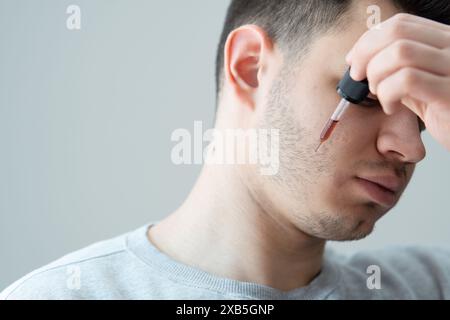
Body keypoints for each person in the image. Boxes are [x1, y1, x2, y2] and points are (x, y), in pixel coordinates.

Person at [2, 0, 450, 300]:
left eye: (423, 116)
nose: (411, 149)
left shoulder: (430, 285)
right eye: (369, 94)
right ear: (251, 68)